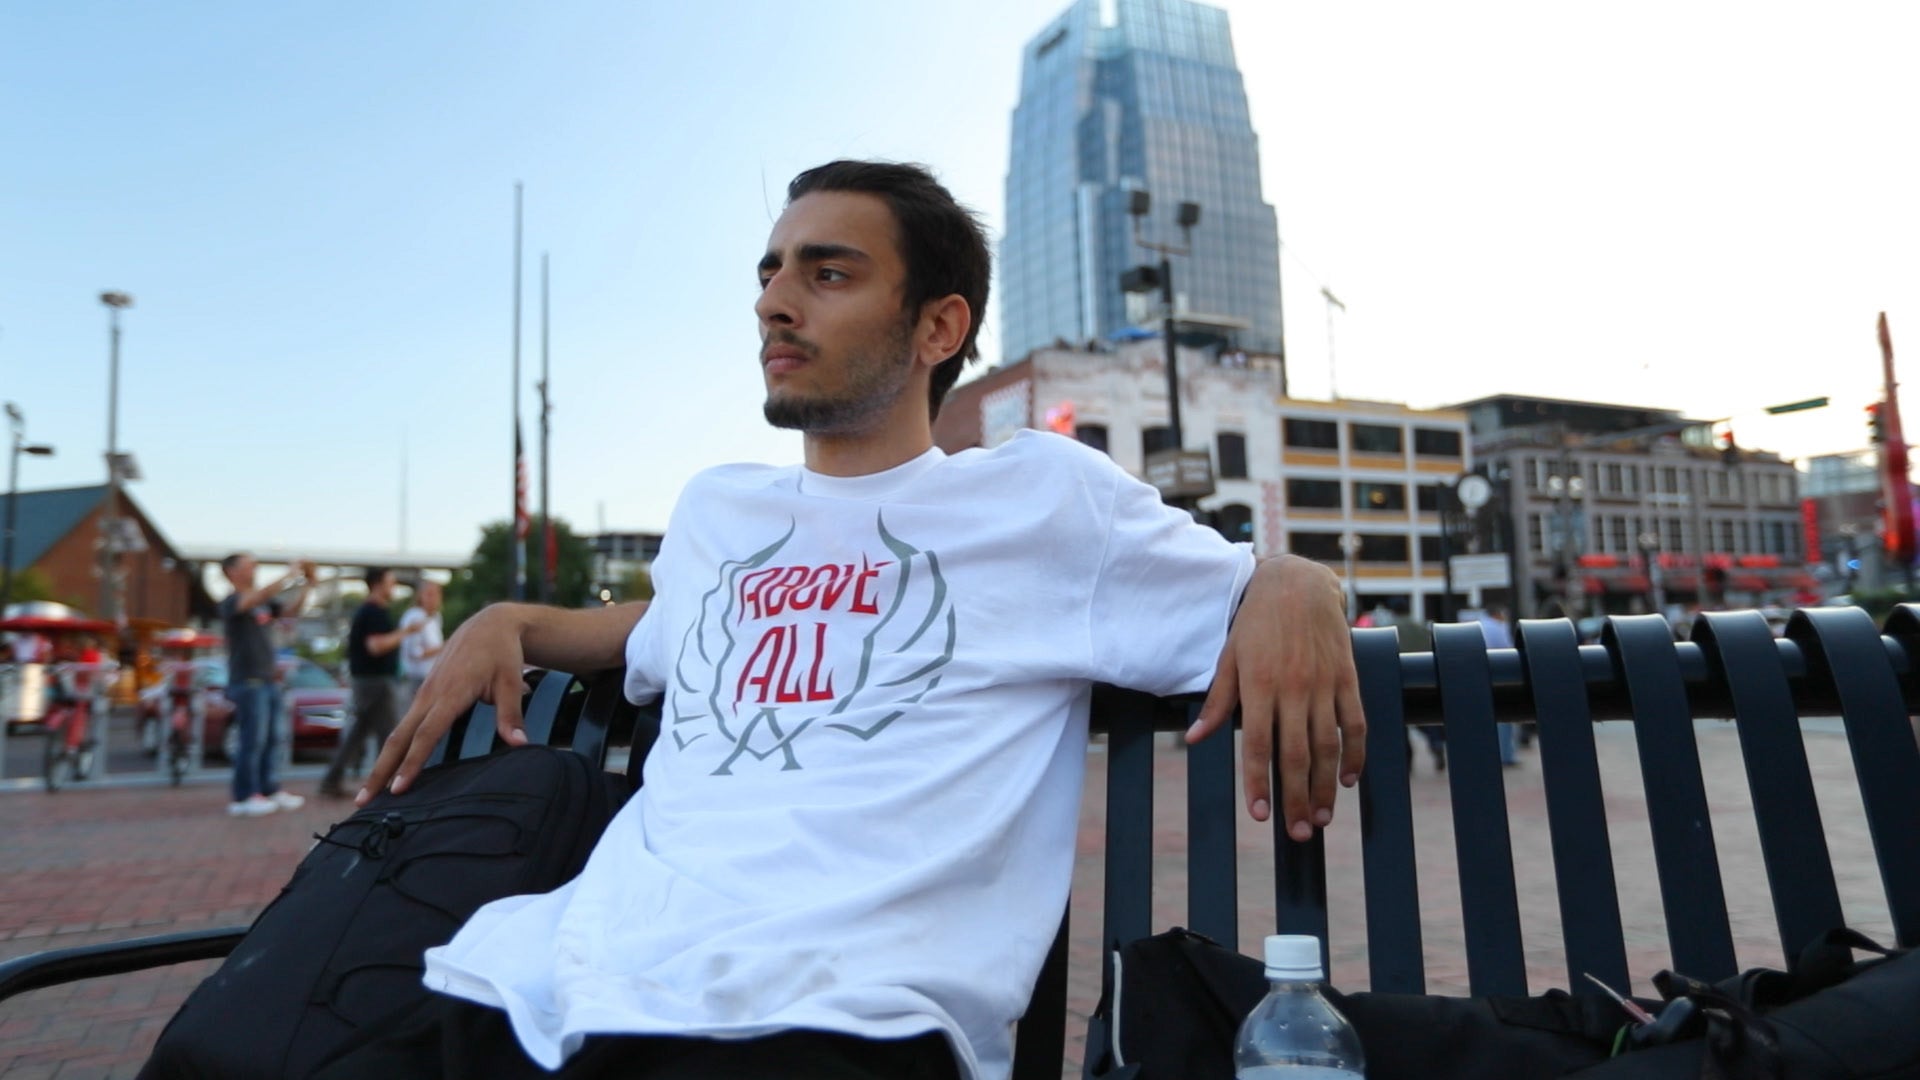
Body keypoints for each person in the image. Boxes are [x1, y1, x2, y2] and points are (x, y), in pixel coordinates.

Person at [337, 161, 1365, 1080]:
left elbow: (1251, 581)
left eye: (827, 275)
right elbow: (652, 630)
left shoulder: (1042, 502)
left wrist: (1295, 582)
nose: (773, 303)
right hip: (558, 986)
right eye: (771, 271)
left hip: (847, 1020)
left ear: (937, 328)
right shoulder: (715, 512)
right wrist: (505, 620)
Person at [217, 554, 315, 817]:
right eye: (248, 565)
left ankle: (269, 790)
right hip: (248, 680)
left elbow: (290, 614)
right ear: (231, 572)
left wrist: (307, 586)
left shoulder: (262, 603)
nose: (254, 569)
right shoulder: (232, 602)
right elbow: (254, 598)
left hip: (268, 680)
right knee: (252, 741)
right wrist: (290, 574)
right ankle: (244, 797)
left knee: (273, 739)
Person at [318, 566, 423, 799]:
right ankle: (385, 787)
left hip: (370, 680)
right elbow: (375, 646)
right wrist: (406, 632)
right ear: (377, 584)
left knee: (359, 733)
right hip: (374, 682)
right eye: (390, 581)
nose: (393, 586)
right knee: (390, 734)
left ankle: (332, 781)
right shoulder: (373, 612)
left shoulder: (372, 611)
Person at [398, 580, 445, 705]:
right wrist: (443, 647)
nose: (433, 599)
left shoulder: (436, 617)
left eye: (436, 594)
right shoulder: (415, 617)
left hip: (432, 677)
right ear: (420, 596)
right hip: (417, 679)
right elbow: (415, 653)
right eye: (429, 594)